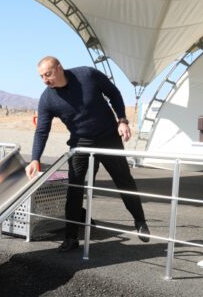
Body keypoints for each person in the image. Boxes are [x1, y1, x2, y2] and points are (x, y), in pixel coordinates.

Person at [24, 56, 149, 252]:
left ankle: (140, 221)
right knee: (74, 188)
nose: (45, 80)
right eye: (41, 77)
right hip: (81, 143)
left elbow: (113, 93)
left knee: (124, 180)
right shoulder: (47, 98)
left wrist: (122, 120)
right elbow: (41, 130)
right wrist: (35, 158)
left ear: (59, 68)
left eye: (48, 74)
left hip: (108, 139)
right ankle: (71, 238)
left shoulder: (87, 74)